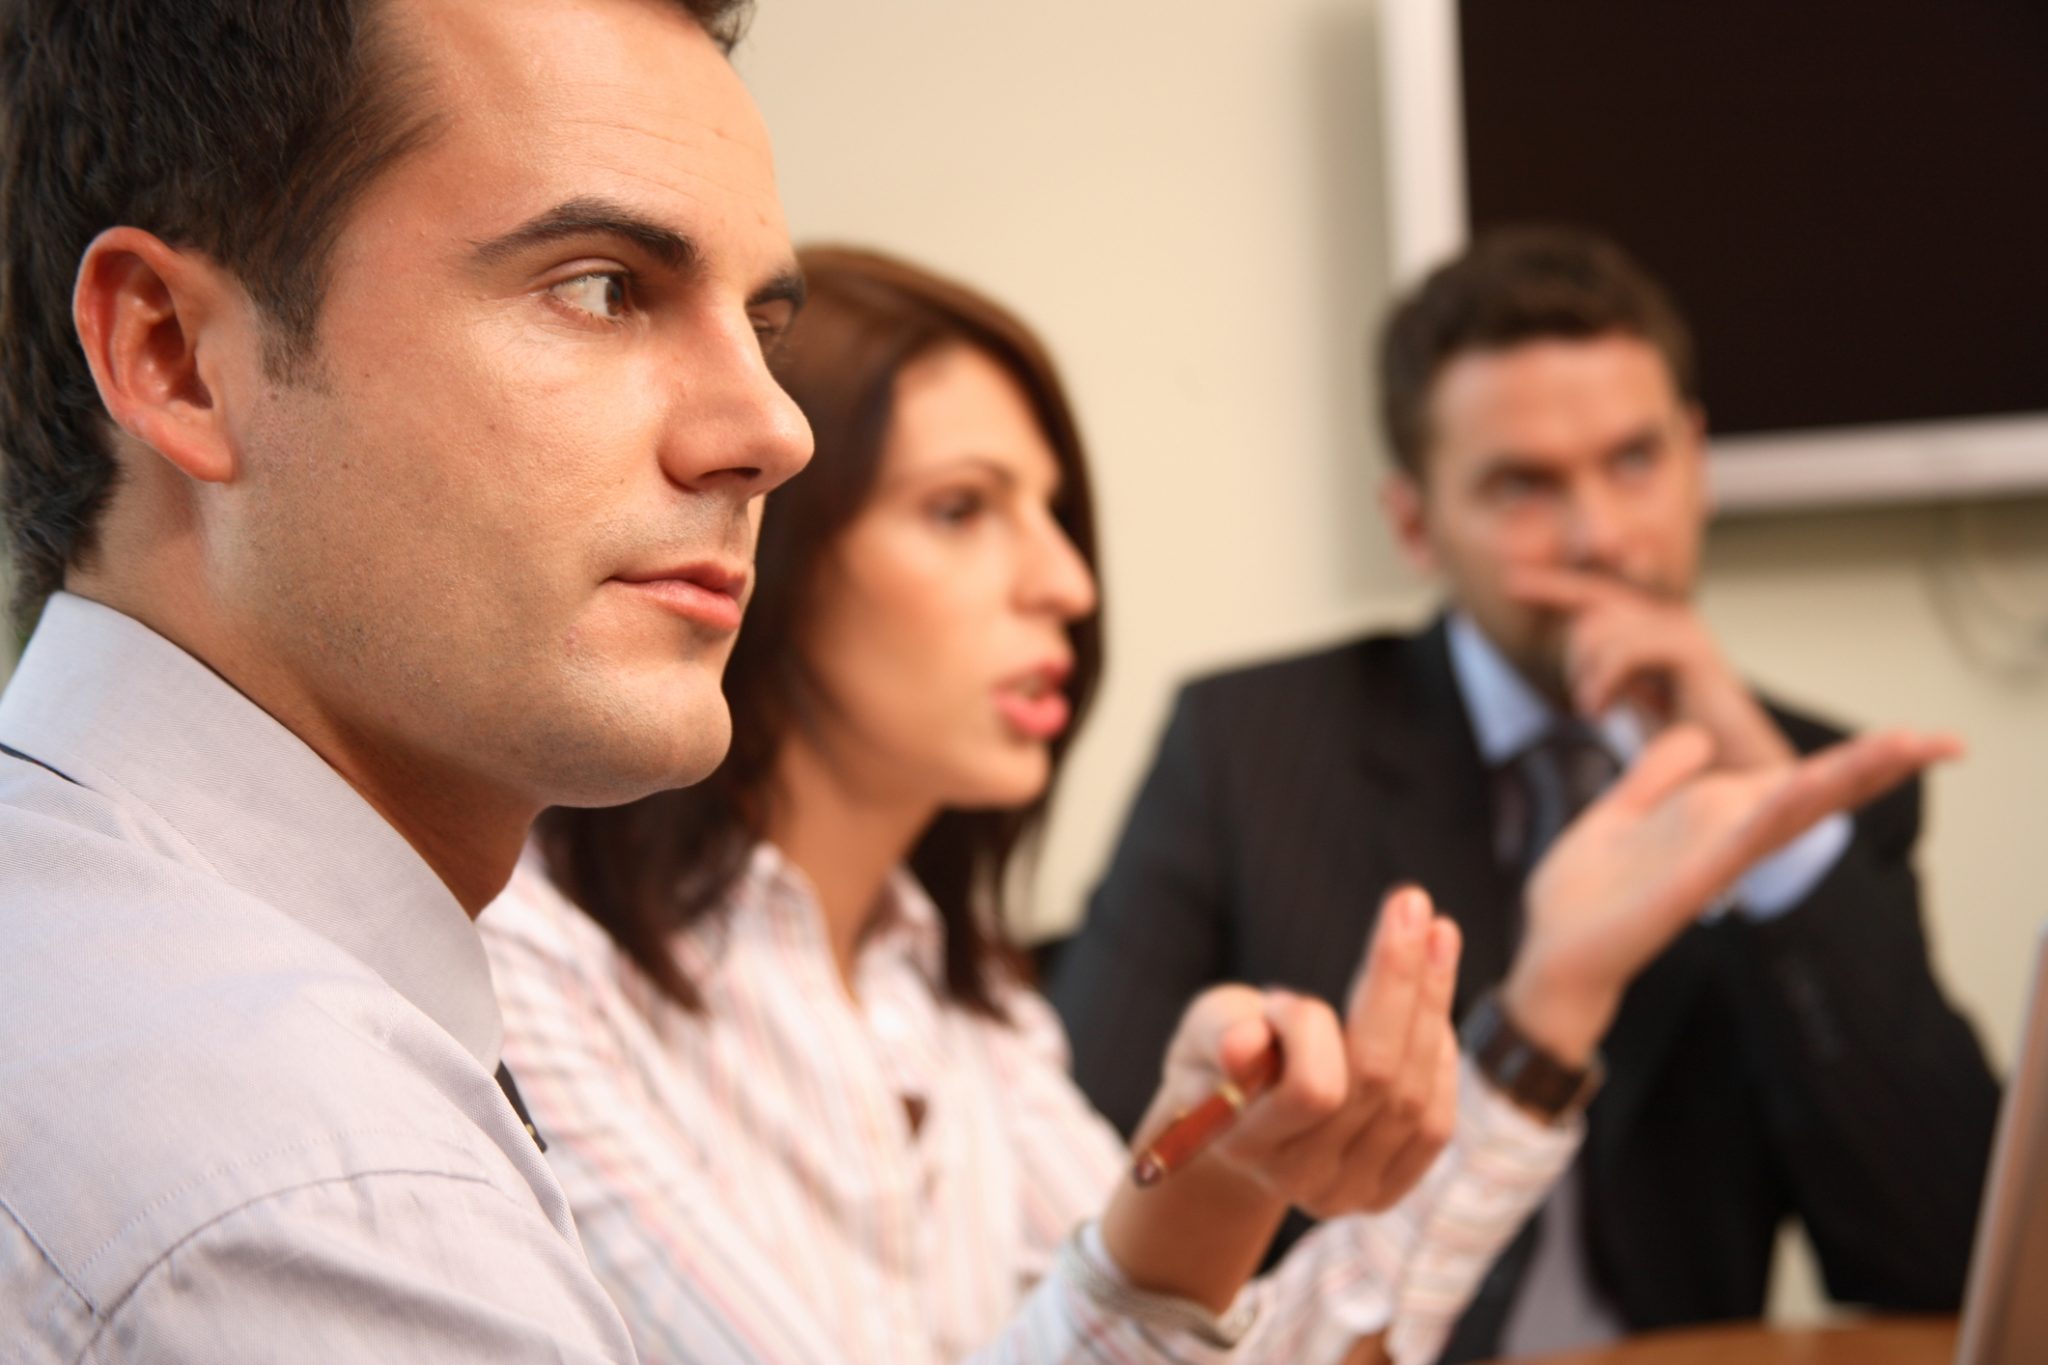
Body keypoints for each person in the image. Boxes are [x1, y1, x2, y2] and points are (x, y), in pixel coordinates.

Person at [479, 246, 1950, 1365]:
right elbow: (1146, 1299)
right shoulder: (524, 967)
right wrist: (1194, 1200)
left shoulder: (969, 1007)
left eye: (1052, 513)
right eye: (961, 508)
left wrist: (1553, 999)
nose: (1067, 582)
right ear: (769, 542)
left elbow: (1217, 1341)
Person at [0, 0, 809, 1358]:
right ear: (174, 358)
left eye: (762, 325)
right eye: (602, 287)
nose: (770, 431)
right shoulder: (314, 1202)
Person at [1047, 227, 2002, 1360]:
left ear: (1696, 458)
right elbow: (1083, 1184)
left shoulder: (1808, 781)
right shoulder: (1248, 745)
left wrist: (1777, 851)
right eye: (1522, 487)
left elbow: (1949, 1257)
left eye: (1635, 461)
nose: (1601, 537)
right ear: (1412, 521)